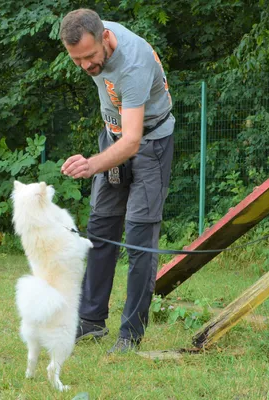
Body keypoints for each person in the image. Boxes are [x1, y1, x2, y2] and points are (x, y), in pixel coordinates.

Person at [59, 9, 175, 353]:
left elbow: (133, 141)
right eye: (76, 60)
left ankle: (130, 335)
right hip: (113, 137)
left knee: (140, 237)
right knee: (100, 228)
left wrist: (92, 165)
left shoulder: (133, 64)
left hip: (149, 144)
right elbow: (121, 137)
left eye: (90, 57)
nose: (85, 66)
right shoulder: (89, 35)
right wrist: (101, 157)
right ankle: (91, 321)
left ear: (106, 38)